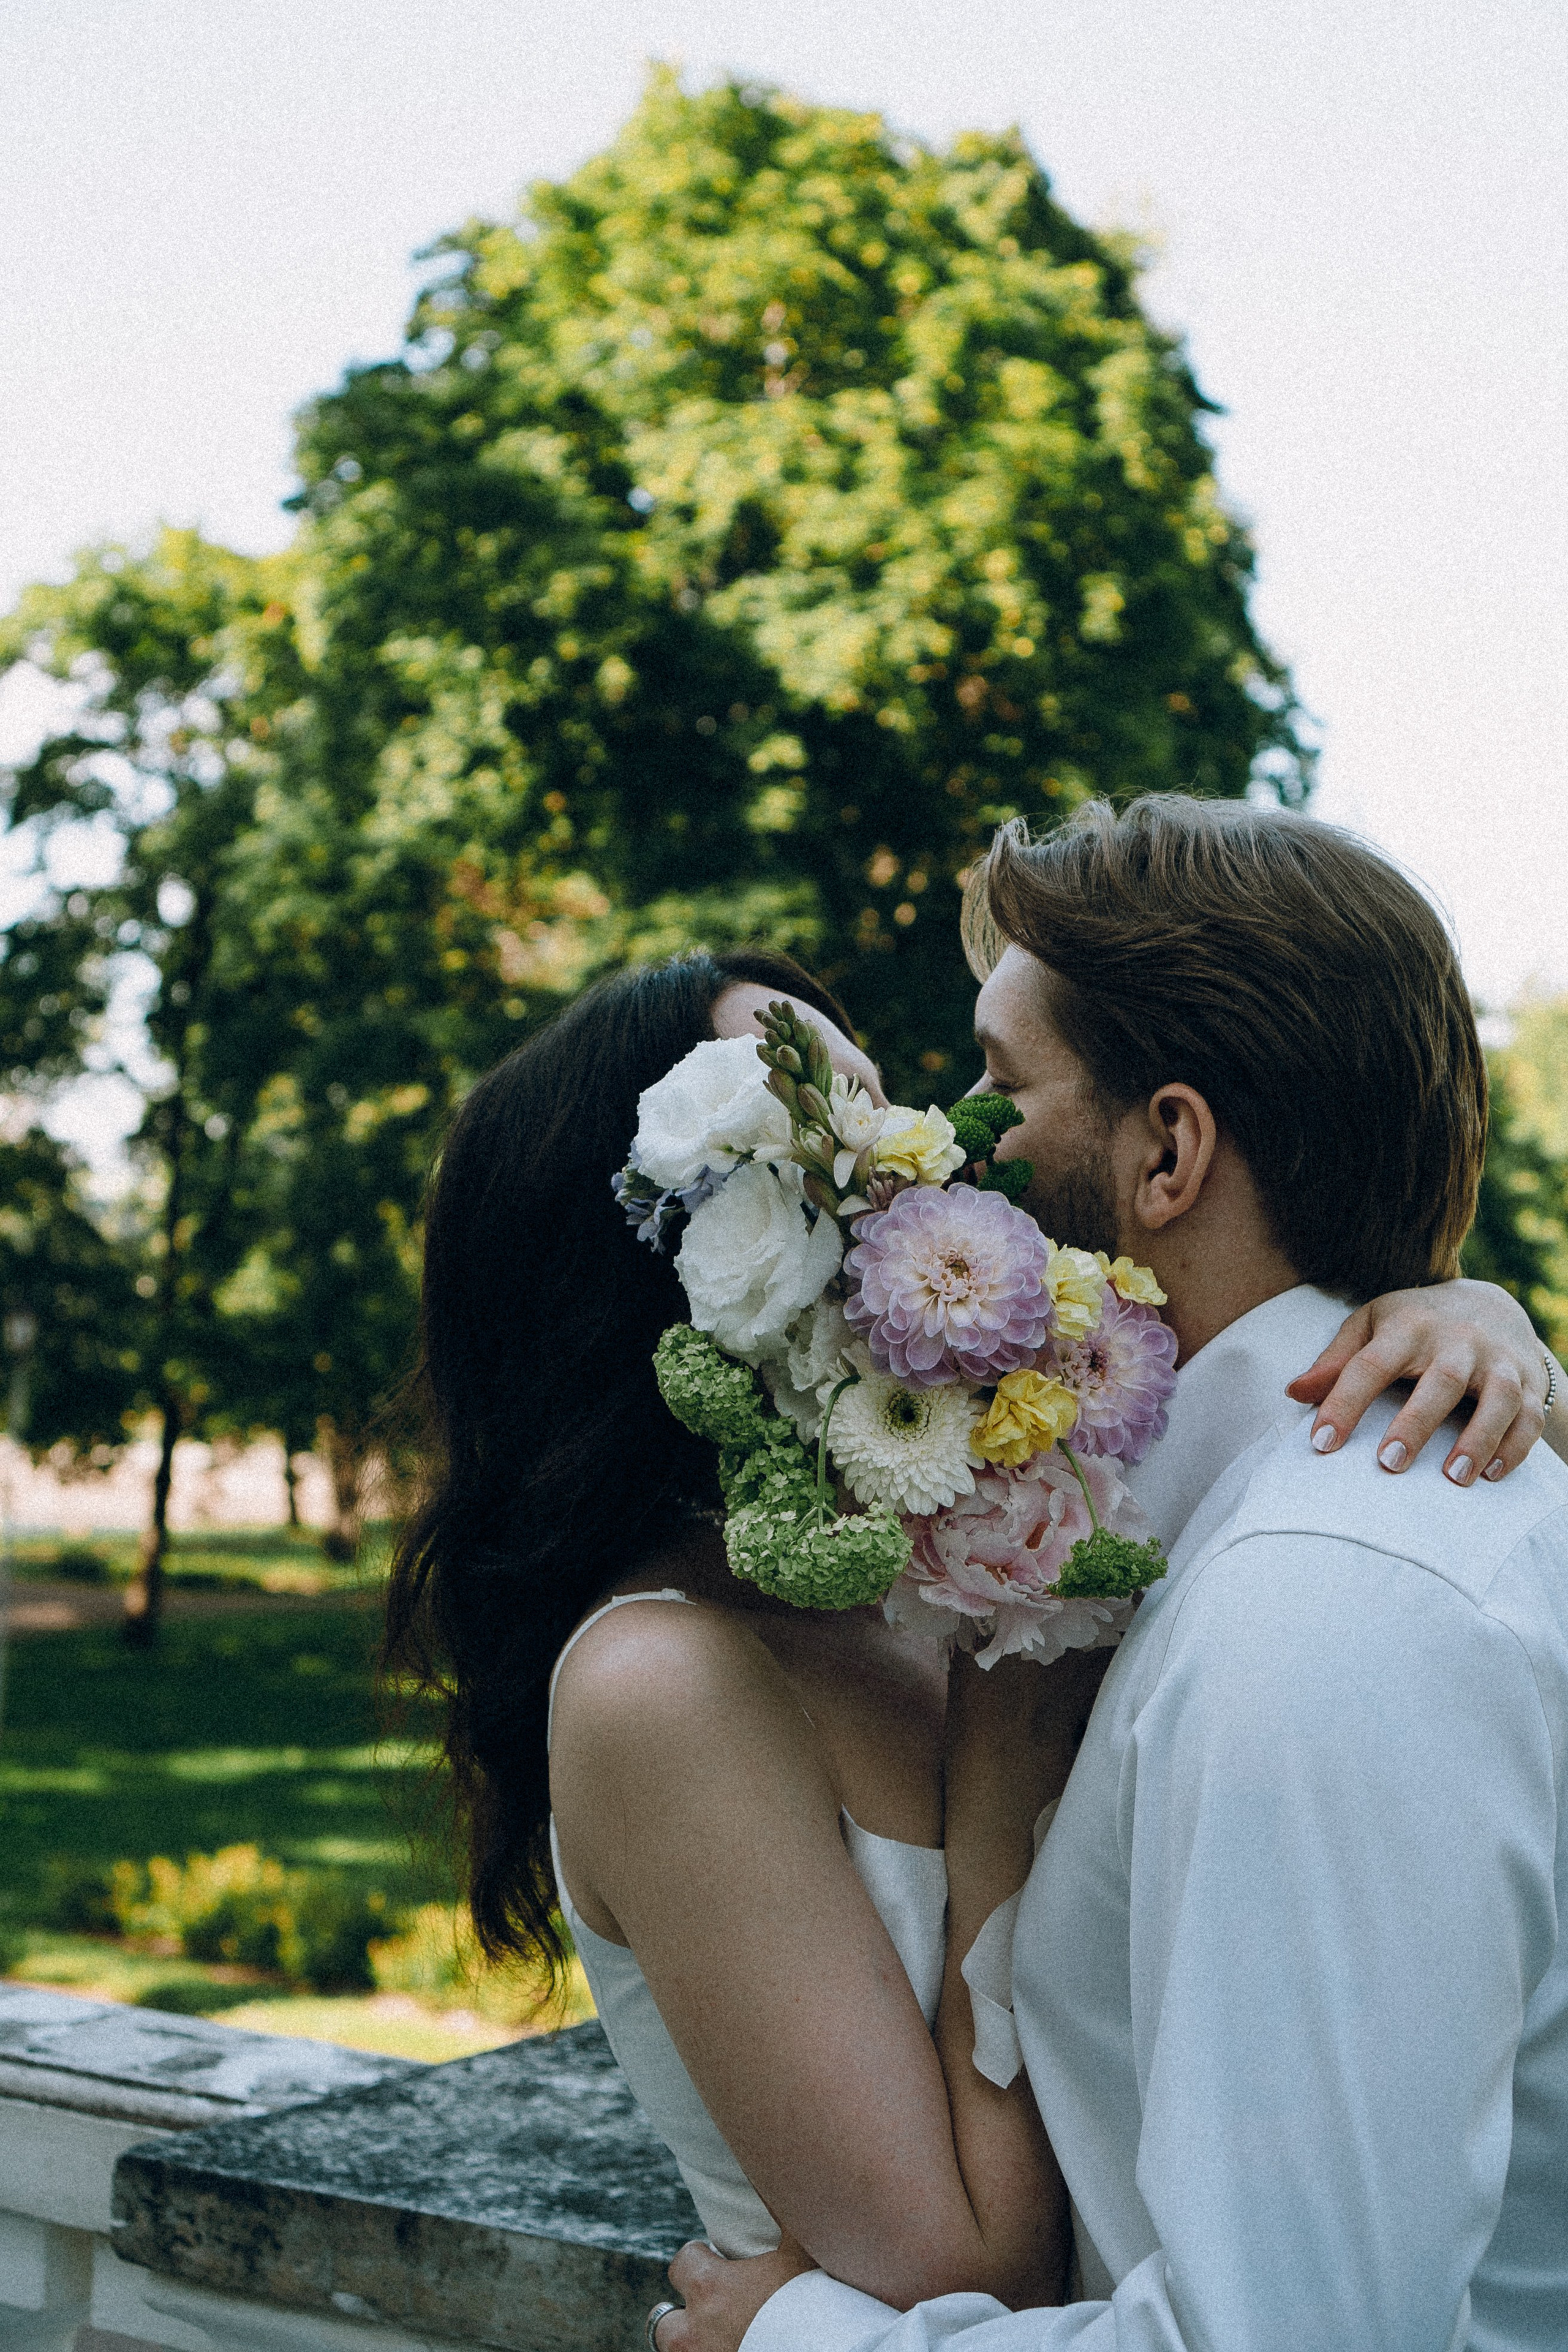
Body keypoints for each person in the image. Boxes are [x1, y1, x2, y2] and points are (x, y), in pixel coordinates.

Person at [381, 932, 1560, 2323]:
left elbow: (1249, 1392)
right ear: (669, 1247)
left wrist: (1458, 1311)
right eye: (830, 1133)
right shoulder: (663, 1681)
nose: (922, 1160)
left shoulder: (937, 1559)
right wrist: (1002, 1771)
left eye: (881, 1104)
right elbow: (970, 2269)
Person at [663, 800, 1568, 2352]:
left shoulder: (1318, 1611)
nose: (954, 1149)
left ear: (1166, 1150)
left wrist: (802, 2341)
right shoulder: (1239, 1534)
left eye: (1002, 1085)